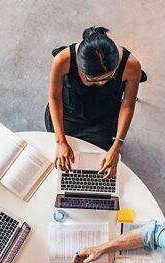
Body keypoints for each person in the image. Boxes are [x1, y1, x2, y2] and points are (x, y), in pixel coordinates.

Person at [46, 27, 143, 178]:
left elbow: (128, 104)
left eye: (109, 77)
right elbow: (54, 97)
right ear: (78, 65)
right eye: (92, 79)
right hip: (69, 112)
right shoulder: (62, 60)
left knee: (100, 158)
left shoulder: (132, 65)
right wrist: (60, 141)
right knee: (62, 155)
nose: (101, 83)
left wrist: (117, 146)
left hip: (105, 117)